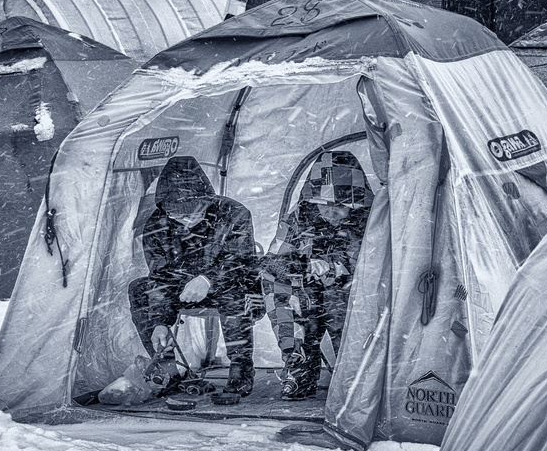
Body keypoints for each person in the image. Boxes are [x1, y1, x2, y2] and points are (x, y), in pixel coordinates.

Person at [128, 155, 258, 397]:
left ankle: (241, 369)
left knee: (236, 292)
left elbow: (242, 262)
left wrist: (208, 280)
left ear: (206, 200)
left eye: (193, 211)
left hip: (231, 285)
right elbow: (160, 277)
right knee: (139, 289)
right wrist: (159, 320)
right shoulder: (157, 226)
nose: (187, 220)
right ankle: (168, 372)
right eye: (178, 214)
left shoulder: (234, 213)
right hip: (183, 292)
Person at [260, 150, 373, 400]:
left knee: (340, 302)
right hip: (308, 291)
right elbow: (273, 261)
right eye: (325, 205)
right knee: (281, 292)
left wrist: (336, 267)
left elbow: (376, 262)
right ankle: (299, 367)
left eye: (341, 207)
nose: (332, 213)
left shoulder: (371, 219)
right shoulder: (299, 218)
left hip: (351, 291)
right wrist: (303, 264)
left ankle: (354, 374)